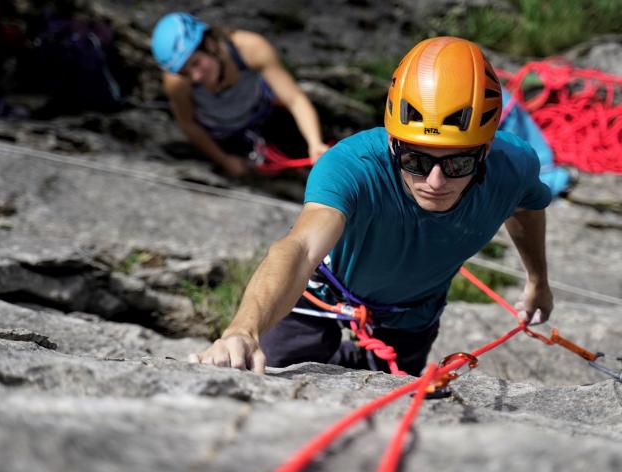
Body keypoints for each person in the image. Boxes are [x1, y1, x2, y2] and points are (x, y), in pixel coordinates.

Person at [190, 37, 554, 375]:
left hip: (412, 310)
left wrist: (537, 280)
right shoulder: (352, 165)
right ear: (393, 144)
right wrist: (243, 330)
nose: (435, 181)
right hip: (323, 291)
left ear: (486, 150)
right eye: (415, 160)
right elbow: (300, 249)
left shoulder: (514, 167)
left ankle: (347, 362)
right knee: (280, 364)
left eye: (458, 164)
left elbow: (525, 207)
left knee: (389, 383)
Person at [151, 12, 329, 176]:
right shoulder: (176, 82)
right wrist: (223, 159)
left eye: (196, 63)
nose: (195, 76)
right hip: (226, 138)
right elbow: (189, 124)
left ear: (209, 43)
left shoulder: (250, 49)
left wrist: (314, 143)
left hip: (266, 118)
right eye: (185, 72)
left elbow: (294, 98)